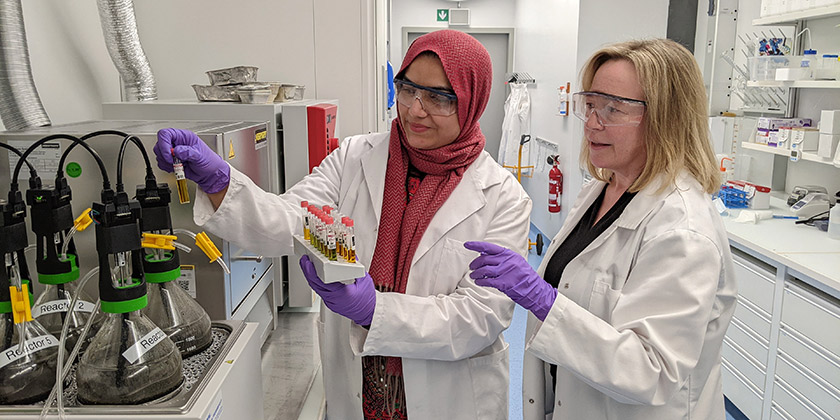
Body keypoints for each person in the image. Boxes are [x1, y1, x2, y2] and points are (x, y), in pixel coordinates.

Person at [153, 29, 531, 420]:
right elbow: (291, 221)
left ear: (471, 102)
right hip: (357, 386)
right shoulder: (354, 158)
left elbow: (480, 317)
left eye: (438, 98)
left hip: (448, 399)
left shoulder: (504, 198)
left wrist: (375, 311)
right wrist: (220, 182)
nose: (416, 109)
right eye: (407, 89)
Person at [465, 38, 737, 420]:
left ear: (666, 117)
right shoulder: (602, 189)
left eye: (613, 108)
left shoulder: (683, 229)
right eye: (591, 105)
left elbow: (650, 372)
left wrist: (543, 299)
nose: (592, 122)